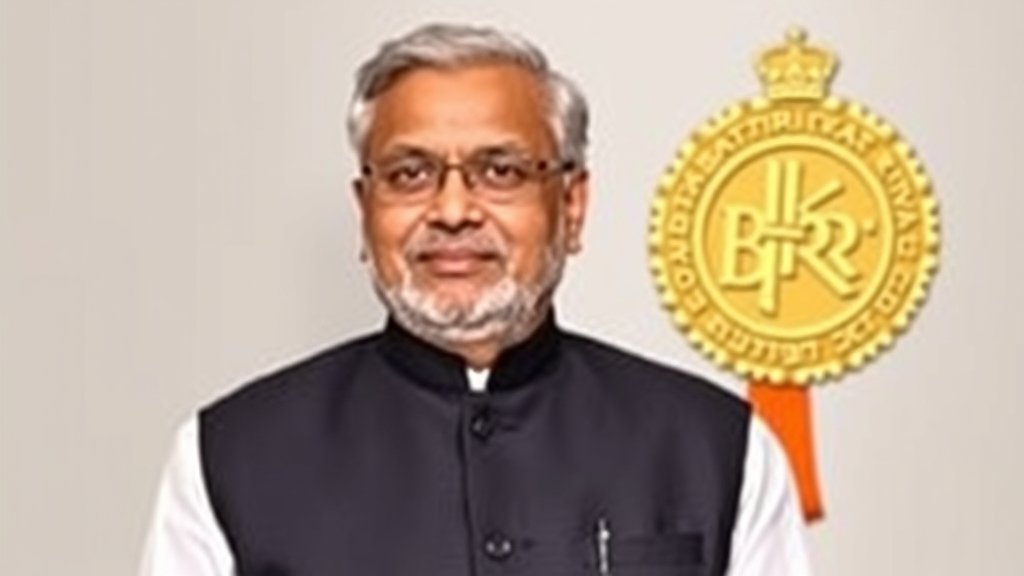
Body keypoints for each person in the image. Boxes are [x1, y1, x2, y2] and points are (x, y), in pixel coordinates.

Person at [139, 23, 812, 576]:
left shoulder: (714, 447)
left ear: (571, 206)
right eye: (410, 174)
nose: (453, 211)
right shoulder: (229, 456)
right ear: (365, 210)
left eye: (501, 171)